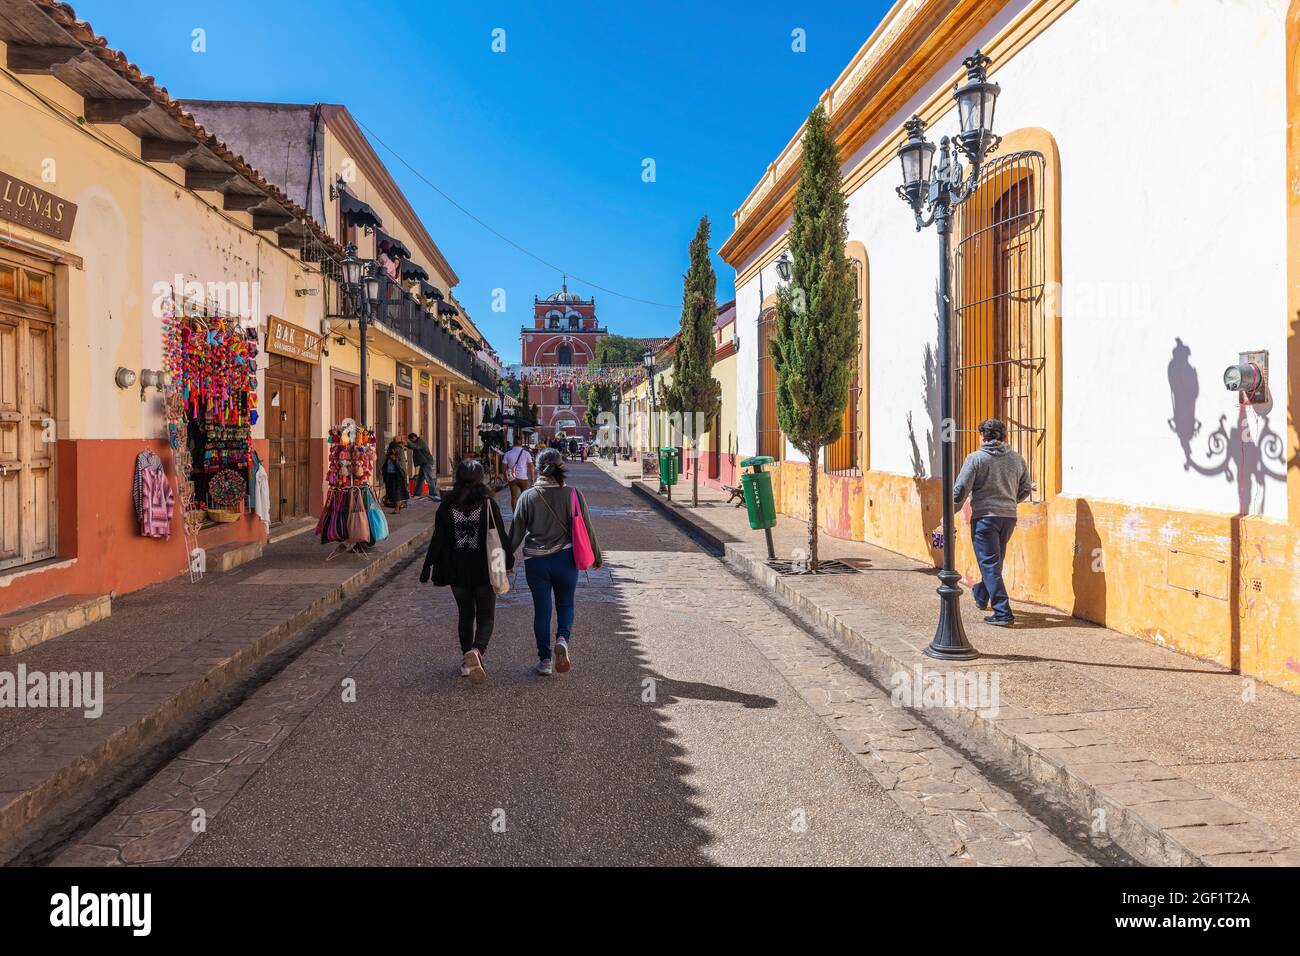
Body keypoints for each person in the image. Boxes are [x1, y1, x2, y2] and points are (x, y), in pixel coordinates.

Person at [507, 448, 602, 676]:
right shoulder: (573, 494)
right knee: (566, 604)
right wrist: (596, 556)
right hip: (565, 560)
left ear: (537, 468)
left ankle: (546, 660)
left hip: (536, 563)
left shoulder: (527, 496)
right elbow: (587, 528)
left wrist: (504, 561)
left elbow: (515, 535)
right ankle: (562, 638)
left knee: (542, 610)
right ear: (561, 466)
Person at [419, 459, 512, 683]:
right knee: (486, 615)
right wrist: (508, 560)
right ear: (481, 478)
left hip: (456, 569)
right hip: (484, 569)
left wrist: (427, 566)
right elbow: (500, 535)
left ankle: (466, 659)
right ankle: (477, 652)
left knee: (465, 614)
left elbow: (438, 540)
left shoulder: (447, 505)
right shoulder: (488, 503)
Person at [953, 418, 1032, 626]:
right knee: (994, 563)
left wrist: (949, 512)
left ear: (983, 436)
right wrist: (1009, 502)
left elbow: (960, 489)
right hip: (1008, 518)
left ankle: (1002, 612)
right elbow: (1026, 487)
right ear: (1004, 436)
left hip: (985, 518)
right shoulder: (1016, 459)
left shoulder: (976, 458)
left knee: (989, 564)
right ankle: (981, 592)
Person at [502, 434, 534, 509]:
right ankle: (524, 514)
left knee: (514, 498)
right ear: (521, 443)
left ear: (513, 443)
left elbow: (504, 467)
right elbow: (531, 466)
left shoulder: (507, 453)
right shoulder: (526, 453)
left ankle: (515, 516)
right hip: (523, 478)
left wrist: (504, 477)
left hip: (512, 478)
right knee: (524, 498)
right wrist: (532, 477)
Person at [406, 432, 439, 500]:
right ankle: (417, 494)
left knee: (429, 479)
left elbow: (415, 446)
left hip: (427, 462)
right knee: (420, 479)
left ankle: (433, 494)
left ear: (414, 437)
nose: (411, 442)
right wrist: (405, 444)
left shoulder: (420, 442)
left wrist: (407, 442)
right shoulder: (417, 442)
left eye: (411, 440)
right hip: (423, 463)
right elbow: (412, 446)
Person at [382, 440, 410, 514]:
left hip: (397, 475)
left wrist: (395, 459)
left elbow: (402, 465)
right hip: (389, 474)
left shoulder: (400, 453)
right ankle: (399, 505)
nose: (392, 450)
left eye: (393, 449)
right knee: (391, 491)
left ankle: (397, 509)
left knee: (397, 492)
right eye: (391, 449)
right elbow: (386, 463)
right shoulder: (389, 453)